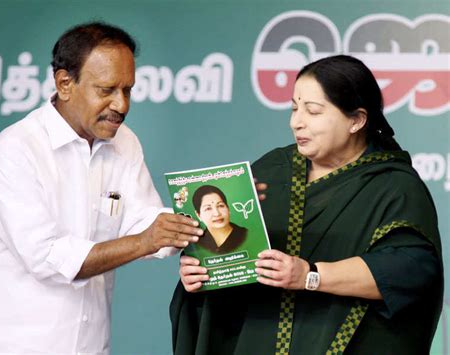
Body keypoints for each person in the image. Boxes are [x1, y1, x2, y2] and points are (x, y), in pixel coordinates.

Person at [170, 55, 443, 354]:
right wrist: (199, 272)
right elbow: (230, 253)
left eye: (312, 111)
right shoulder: (272, 170)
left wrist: (310, 275)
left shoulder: (394, 186)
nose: (296, 122)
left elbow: (409, 273)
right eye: (294, 108)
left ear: (357, 120)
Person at [0, 22, 203, 354]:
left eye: (128, 90)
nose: (122, 105)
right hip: (14, 346)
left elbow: (145, 221)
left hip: (92, 346)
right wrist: (145, 240)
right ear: (65, 84)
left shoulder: (125, 142)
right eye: (107, 89)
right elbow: (48, 258)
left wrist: (205, 213)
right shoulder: (18, 147)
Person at [192, 185, 247, 254]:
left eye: (220, 206)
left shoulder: (246, 235)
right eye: (208, 208)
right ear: (199, 215)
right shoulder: (196, 244)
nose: (217, 213)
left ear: (228, 208)